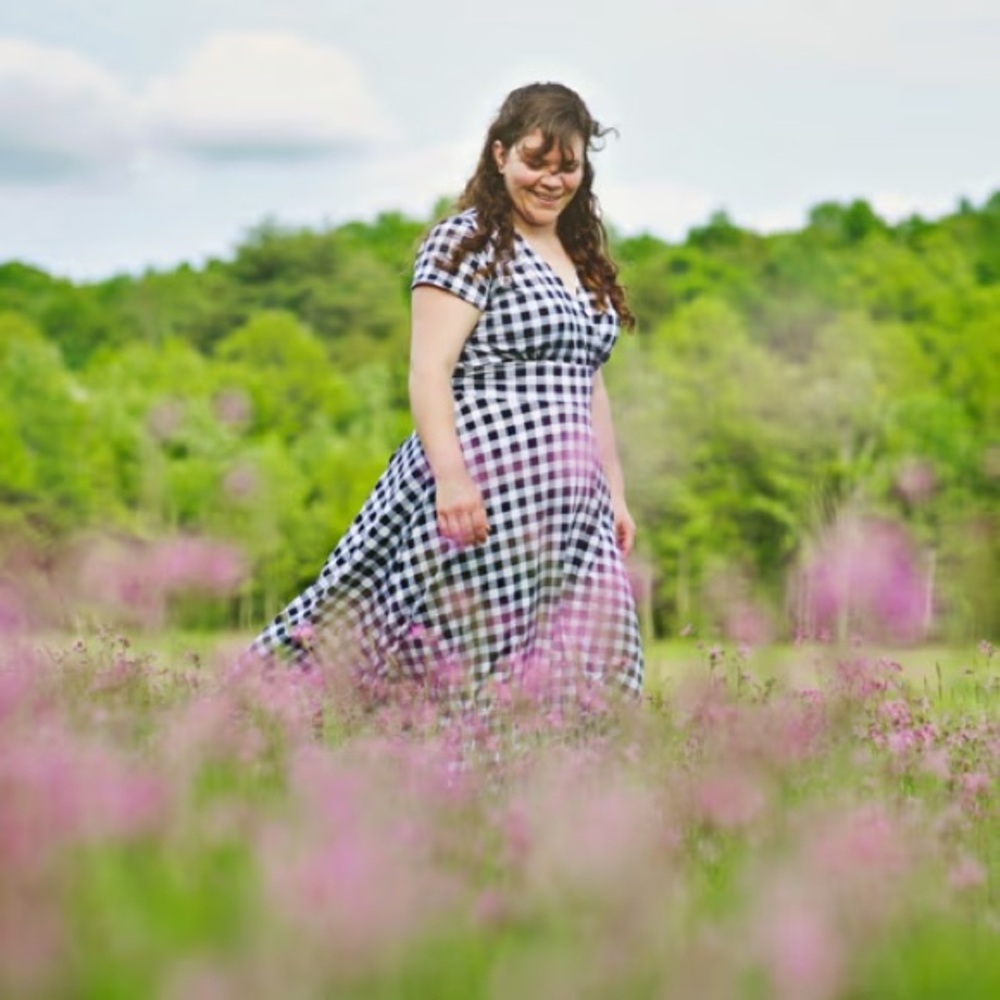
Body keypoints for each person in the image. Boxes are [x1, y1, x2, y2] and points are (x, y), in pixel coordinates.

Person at [249, 82, 644, 712]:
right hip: (489, 490)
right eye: (535, 162)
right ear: (499, 156)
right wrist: (453, 480)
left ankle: (559, 798)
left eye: (567, 167)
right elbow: (429, 371)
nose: (550, 181)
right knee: (462, 664)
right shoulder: (467, 244)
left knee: (595, 665)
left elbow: (590, 381)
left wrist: (614, 491)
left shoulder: (580, 256)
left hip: (574, 506)